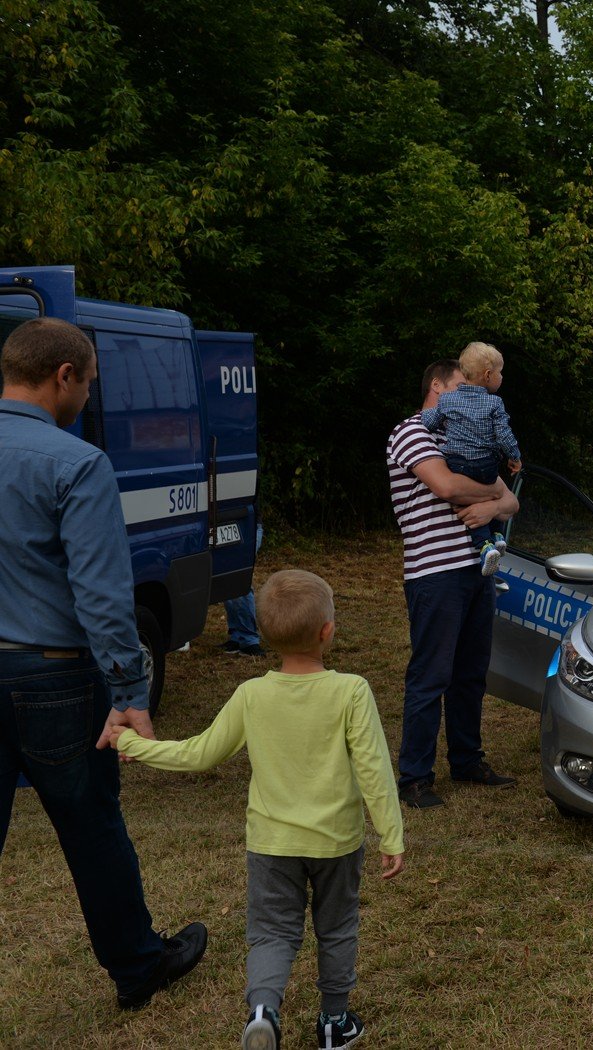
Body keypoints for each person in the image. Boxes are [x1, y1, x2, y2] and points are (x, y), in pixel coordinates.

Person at [0, 317, 207, 1008]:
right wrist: (130, 690)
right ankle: (138, 966)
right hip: (56, 676)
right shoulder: (77, 462)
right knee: (91, 828)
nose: (88, 396)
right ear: (63, 376)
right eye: (88, 383)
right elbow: (101, 592)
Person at [109, 569, 403, 1050]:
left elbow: (199, 753)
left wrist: (134, 745)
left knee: (270, 934)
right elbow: (374, 770)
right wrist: (391, 835)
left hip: (271, 846)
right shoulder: (352, 691)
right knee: (336, 930)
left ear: (265, 635)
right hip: (337, 844)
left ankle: (263, 1011)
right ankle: (334, 1023)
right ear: (328, 631)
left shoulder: (252, 694)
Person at [389, 359, 521, 809]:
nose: (471, 395)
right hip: (434, 573)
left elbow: (512, 502)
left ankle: (466, 760)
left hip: (477, 572)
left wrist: (490, 508)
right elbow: (446, 487)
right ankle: (415, 778)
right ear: (437, 386)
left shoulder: (464, 432)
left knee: (470, 674)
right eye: (462, 385)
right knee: (431, 675)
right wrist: (491, 497)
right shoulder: (411, 431)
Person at [419, 342, 521, 577]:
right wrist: (514, 456)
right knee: (492, 490)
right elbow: (504, 435)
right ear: (488, 375)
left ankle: (484, 546)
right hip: (487, 465)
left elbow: (430, 422)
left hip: (458, 464)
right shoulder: (495, 403)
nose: (502, 377)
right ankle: (496, 535)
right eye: (500, 372)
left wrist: (428, 416)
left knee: (469, 501)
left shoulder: (448, 400)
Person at [223, 523, 266, 656]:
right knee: (227, 579)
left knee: (238, 580)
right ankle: (237, 636)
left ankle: (249, 640)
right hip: (223, 526)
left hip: (245, 526)